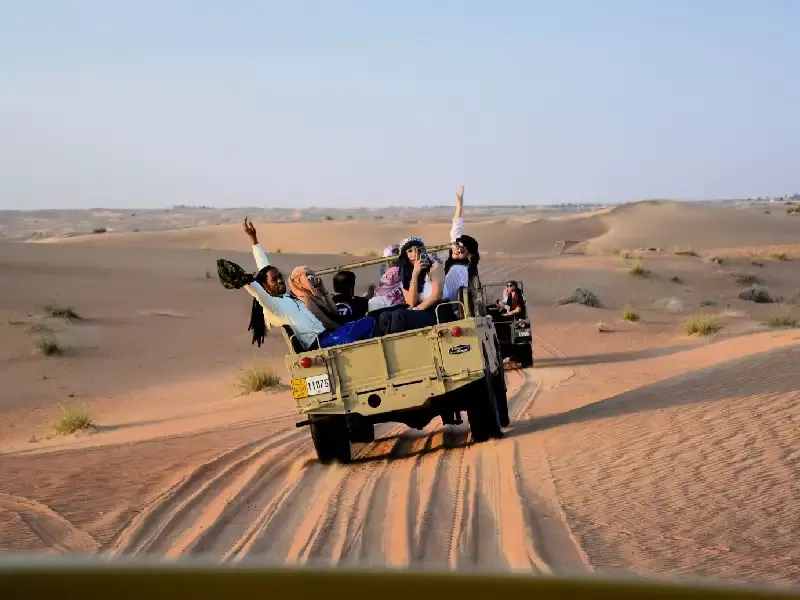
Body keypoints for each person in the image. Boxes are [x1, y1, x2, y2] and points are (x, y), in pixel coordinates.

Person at [224, 217, 376, 350]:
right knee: (354, 344)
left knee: (369, 322)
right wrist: (244, 280)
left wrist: (253, 239)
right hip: (320, 343)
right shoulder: (272, 305)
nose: (279, 281)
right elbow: (257, 290)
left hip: (328, 335)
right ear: (265, 286)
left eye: (280, 277)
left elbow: (265, 268)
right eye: (274, 280)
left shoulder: (286, 297)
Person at [377, 236, 447, 335]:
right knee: (384, 316)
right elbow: (411, 302)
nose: (415, 254)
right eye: (410, 251)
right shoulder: (405, 275)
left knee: (399, 316)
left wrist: (416, 310)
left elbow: (436, 296)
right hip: (421, 312)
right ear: (405, 255)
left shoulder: (434, 268)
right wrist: (415, 275)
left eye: (418, 250)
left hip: (438, 311)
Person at [443, 185, 481, 303]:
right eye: (456, 246)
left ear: (469, 253)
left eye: (461, 248)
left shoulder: (463, 270)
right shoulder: (452, 262)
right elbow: (456, 229)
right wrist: (459, 207)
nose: (457, 249)